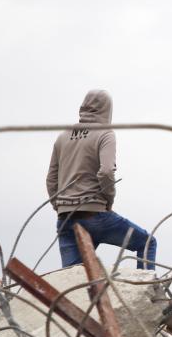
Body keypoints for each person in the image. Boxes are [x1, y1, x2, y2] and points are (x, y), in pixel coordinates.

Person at [45, 89, 157, 269]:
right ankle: (148, 294)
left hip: (66, 219)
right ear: (107, 110)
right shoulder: (105, 134)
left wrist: (60, 206)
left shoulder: (62, 137)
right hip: (95, 214)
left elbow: (51, 179)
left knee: (76, 281)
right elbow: (106, 172)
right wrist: (108, 200)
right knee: (147, 243)